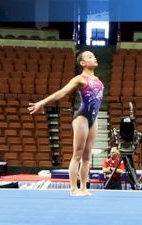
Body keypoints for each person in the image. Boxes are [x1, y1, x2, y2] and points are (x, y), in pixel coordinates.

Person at [28, 51, 103, 196]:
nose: (93, 57)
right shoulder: (80, 79)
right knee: (77, 154)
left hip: (94, 119)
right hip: (82, 117)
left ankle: (84, 188)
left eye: (94, 55)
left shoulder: (98, 80)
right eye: (89, 57)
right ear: (82, 63)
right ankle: (73, 188)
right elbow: (62, 93)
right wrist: (42, 102)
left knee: (87, 156)